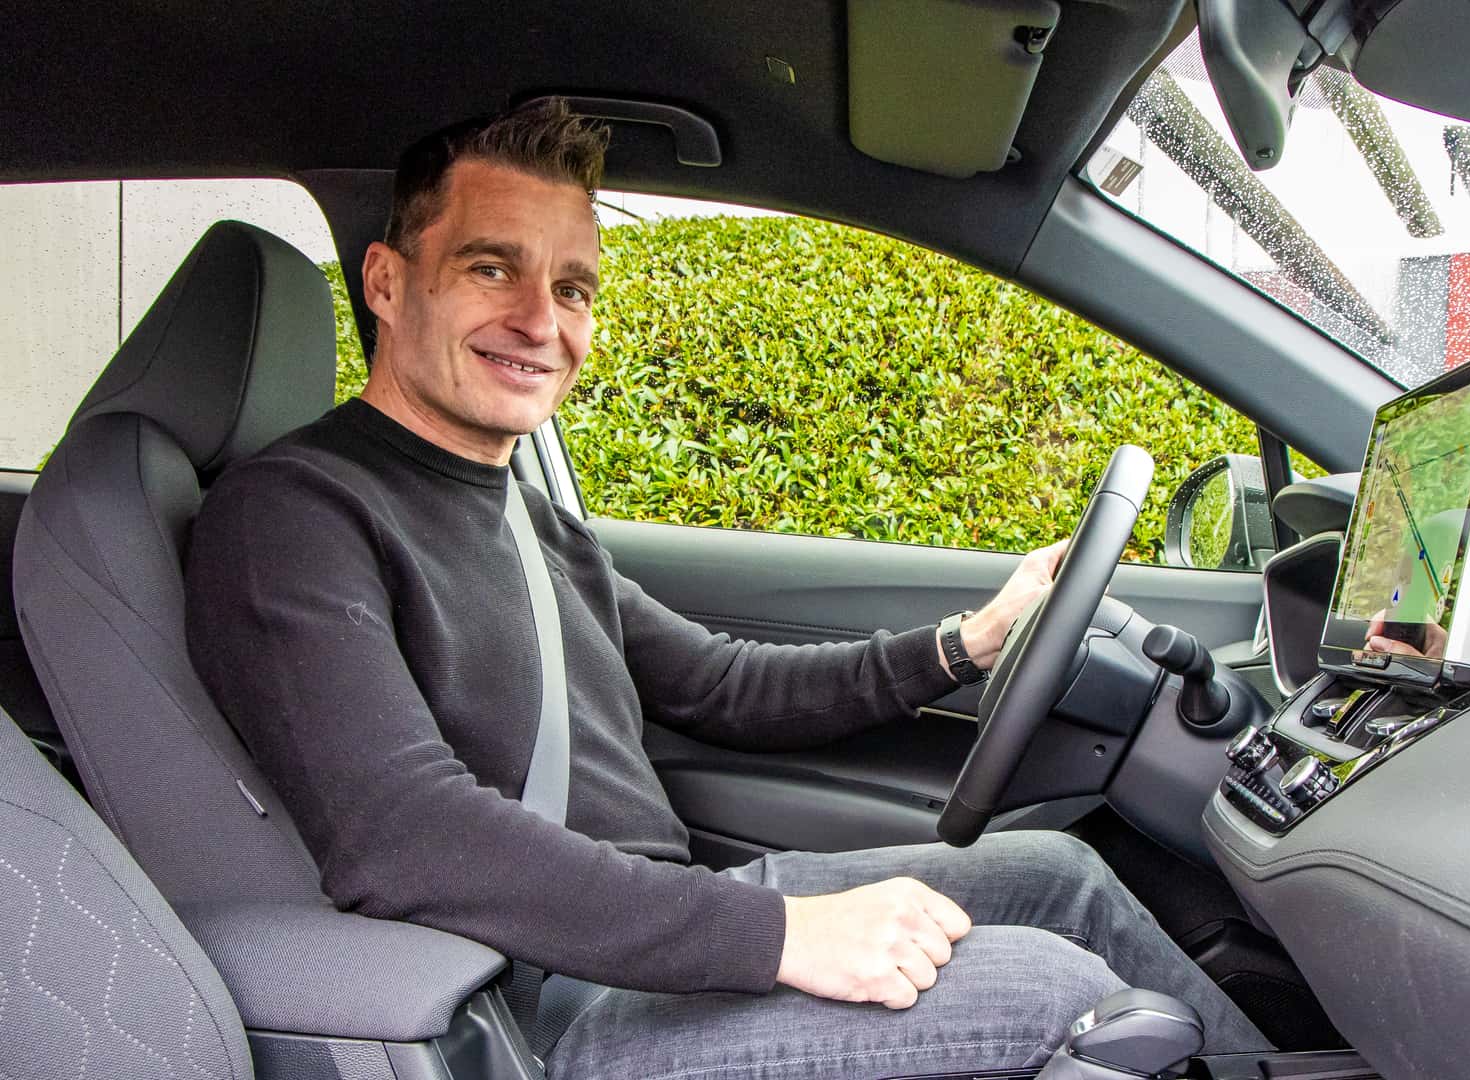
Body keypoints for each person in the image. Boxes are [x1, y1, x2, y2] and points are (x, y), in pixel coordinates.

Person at [185, 100, 1269, 1078]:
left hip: (654, 924)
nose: (542, 322)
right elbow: (406, 832)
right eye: (491, 269)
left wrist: (969, 642)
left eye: (572, 288)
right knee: (1057, 992)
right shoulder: (293, 515)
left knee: (1062, 877)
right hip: (536, 996)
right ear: (386, 283)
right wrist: (782, 938)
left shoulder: (523, 512)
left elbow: (720, 684)